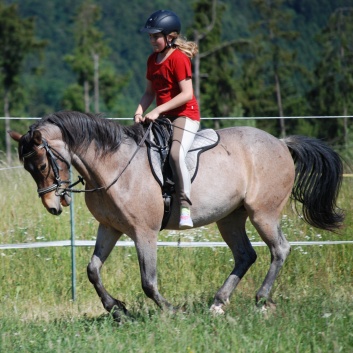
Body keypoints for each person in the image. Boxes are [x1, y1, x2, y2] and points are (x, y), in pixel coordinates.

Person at [134, 9, 200, 229]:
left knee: (174, 153)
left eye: (155, 36)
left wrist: (157, 111)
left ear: (170, 37)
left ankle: (184, 207)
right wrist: (139, 110)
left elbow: (186, 94)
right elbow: (149, 93)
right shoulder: (152, 60)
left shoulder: (179, 59)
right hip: (164, 116)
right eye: (150, 36)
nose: (151, 40)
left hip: (185, 115)